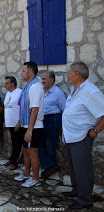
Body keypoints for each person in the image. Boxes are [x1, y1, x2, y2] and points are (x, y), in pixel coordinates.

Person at [62, 62, 104, 209]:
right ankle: (76, 190)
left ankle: (85, 199)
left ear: (77, 75)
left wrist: (95, 131)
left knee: (83, 168)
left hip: (82, 136)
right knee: (74, 166)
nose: (67, 76)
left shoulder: (91, 92)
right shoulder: (76, 90)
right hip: (71, 135)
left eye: (69, 73)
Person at [14, 61, 44, 188]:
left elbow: (35, 109)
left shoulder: (34, 87)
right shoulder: (28, 86)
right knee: (25, 150)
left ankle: (35, 179)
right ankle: (26, 174)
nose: (21, 73)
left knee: (32, 152)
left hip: (34, 126)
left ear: (30, 73)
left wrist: (30, 130)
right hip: (27, 125)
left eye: (23, 71)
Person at [39, 71, 66, 179]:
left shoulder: (58, 93)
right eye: (42, 79)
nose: (43, 81)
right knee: (40, 144)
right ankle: (49, 165)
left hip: (53, 119)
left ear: (52, 79)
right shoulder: (41, 91)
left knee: (50, 144)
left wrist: (63, 127)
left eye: (45, 79)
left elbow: (64, 109)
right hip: (41, 119)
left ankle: (51, 165)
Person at [3, 76, 22, 170]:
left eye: (7, 83)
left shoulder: (19, 93)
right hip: (10, 123)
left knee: (17, 143)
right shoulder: (8, 94)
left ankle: (15, 162)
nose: (5, 85)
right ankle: (12, 159)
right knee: (13, 142)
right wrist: (5, 121)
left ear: (13, 84)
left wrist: (19, 122)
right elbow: (7, 108)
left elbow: (23, 109)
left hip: (17, 124)